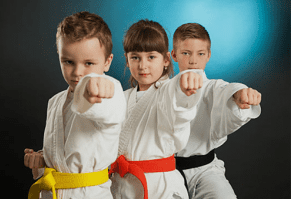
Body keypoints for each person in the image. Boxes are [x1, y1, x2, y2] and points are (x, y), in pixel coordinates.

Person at [24, 11, 126, 199]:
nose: (78, 72)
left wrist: (96, 86)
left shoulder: (111, 91)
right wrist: (42, 160)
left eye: (89, 63)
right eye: (68, 61)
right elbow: (63, 157)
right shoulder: (55, 102)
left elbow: (106, 110)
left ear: (107, 62)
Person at [109, 19, 203, 199]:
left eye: (151, 57)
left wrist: (186, 85)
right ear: (127, 60)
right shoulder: (122, 96)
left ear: (166, 59)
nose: (143, 65)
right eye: (135, 57)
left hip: (160, 187)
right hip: (121, 185)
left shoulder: (169, 91)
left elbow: (180, 102)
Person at [171, 23, 262, 199]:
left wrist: (240, 94)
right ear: (174, 55)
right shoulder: (162, 90)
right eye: (185, 53)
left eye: (200, 54)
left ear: (209, 55)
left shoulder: (213, 88)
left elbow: (226, 90)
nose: (193, 61)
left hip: (205, 171)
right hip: (166, 171)